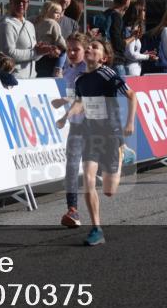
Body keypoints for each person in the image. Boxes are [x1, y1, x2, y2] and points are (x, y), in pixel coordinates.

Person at [56, 37, 137, 246]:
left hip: (111, 134)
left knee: (109, 191)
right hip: (91, 134)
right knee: (88, 179)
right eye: (89, 46)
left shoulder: (108, 74)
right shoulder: (80, 80)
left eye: (95, 47)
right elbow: (80, 103)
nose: (90, 49)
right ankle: (96, 229)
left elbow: (132, 95)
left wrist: (130, 123)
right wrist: (66, 117)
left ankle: (121, 154)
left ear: (104, 57)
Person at [51, 33, 88, 228]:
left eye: (76, 49)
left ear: (85, 50)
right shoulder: (68, 69)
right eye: (69, 49)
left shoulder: (90, 70)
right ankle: (72, 209)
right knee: (72, 166)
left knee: (90, 170)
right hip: (77, 124)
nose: (72, 53)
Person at [0, 0, 55, 79]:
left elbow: (33, 56)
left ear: (28, 3)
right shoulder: (6, 24)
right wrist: (35, 52)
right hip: (13, 79)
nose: (21, 4)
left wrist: (43, 51)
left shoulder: (29, 25)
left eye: (24, 2)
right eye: (17, 1)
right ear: (11, 2)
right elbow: (9, 54)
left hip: (31, 79)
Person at [91, 0, 133, 76]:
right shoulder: (116, 16)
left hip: (104, 61)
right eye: (130, 0)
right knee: (120, 89)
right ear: (126, 0)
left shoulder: (105, 13)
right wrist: (133, 37)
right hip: (116, 62)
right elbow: (118, 44)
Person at [34, 1, 68, 78]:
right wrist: (65, 47)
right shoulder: (53, 23)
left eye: (60, 13)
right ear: (48, 11)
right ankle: (58, 69)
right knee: (64, 53)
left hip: (38, 53)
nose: (59, 15)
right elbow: (58, 38)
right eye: (56, 13)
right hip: (50, 52)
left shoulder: (37, 22)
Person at [122, 1, 153, 76]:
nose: (144, 12)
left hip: (136, 69)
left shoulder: (136, 29)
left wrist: (144, 54)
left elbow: (134, 53)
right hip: (130, 70)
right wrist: (147, 57)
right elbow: (130, 54)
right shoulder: (128, 29)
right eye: (143, 10)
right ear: (136, 12)